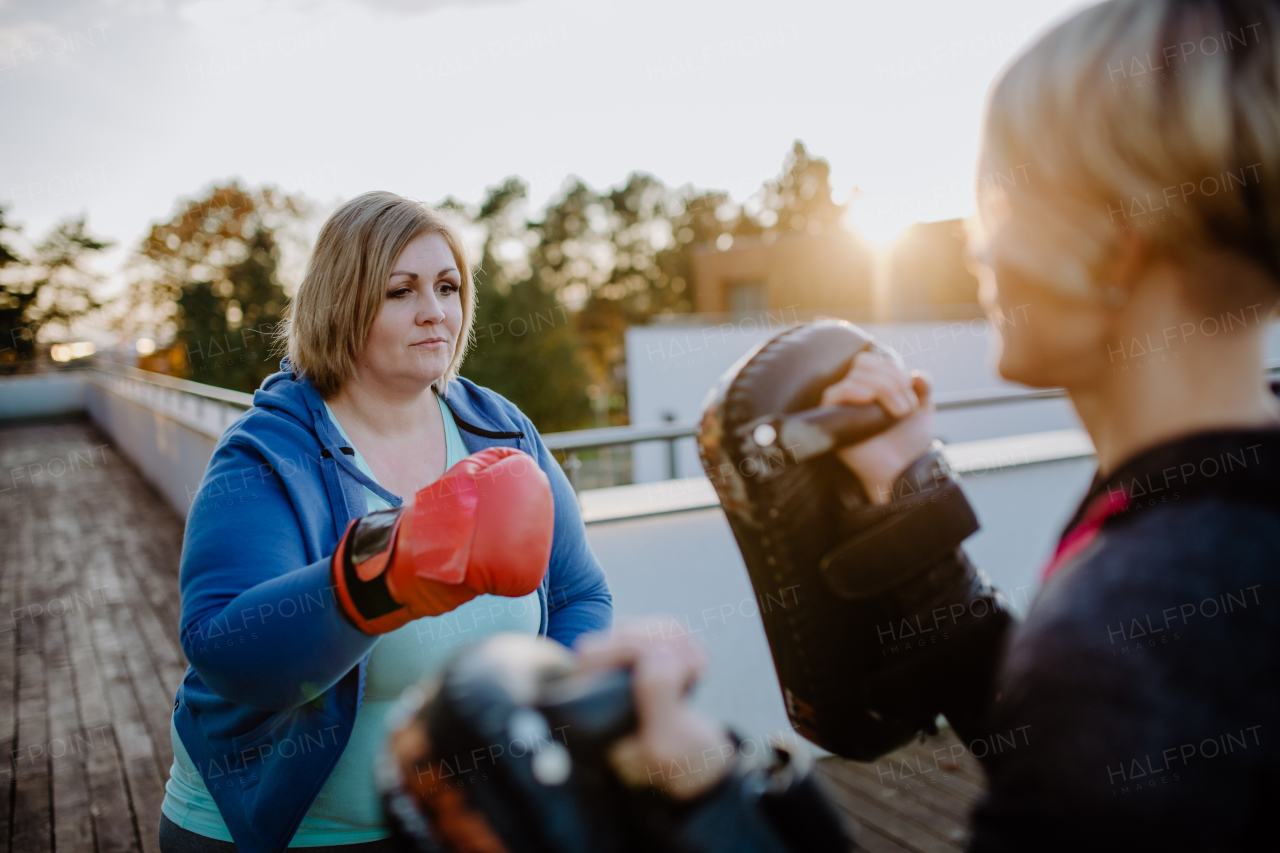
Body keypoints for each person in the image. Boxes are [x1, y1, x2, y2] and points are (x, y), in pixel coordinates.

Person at [629, 0, 1280, 848]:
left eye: (1001, 201)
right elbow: (1050, 734)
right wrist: (908, 484)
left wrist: (712, 797)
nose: (980, 247)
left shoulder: (1139, 618)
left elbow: (1096, 695)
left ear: (1116, 242)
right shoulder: (1211, 524)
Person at [159, 191, 613, 853]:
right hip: (284, 834)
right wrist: (379, 574)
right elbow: (226, 648)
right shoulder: (265, 451)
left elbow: (580, 595)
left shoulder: (502, 429)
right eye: (401, 291)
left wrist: (540, 712)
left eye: (448, 286)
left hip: (462, 826)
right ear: (342, 303)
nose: (435, 312)